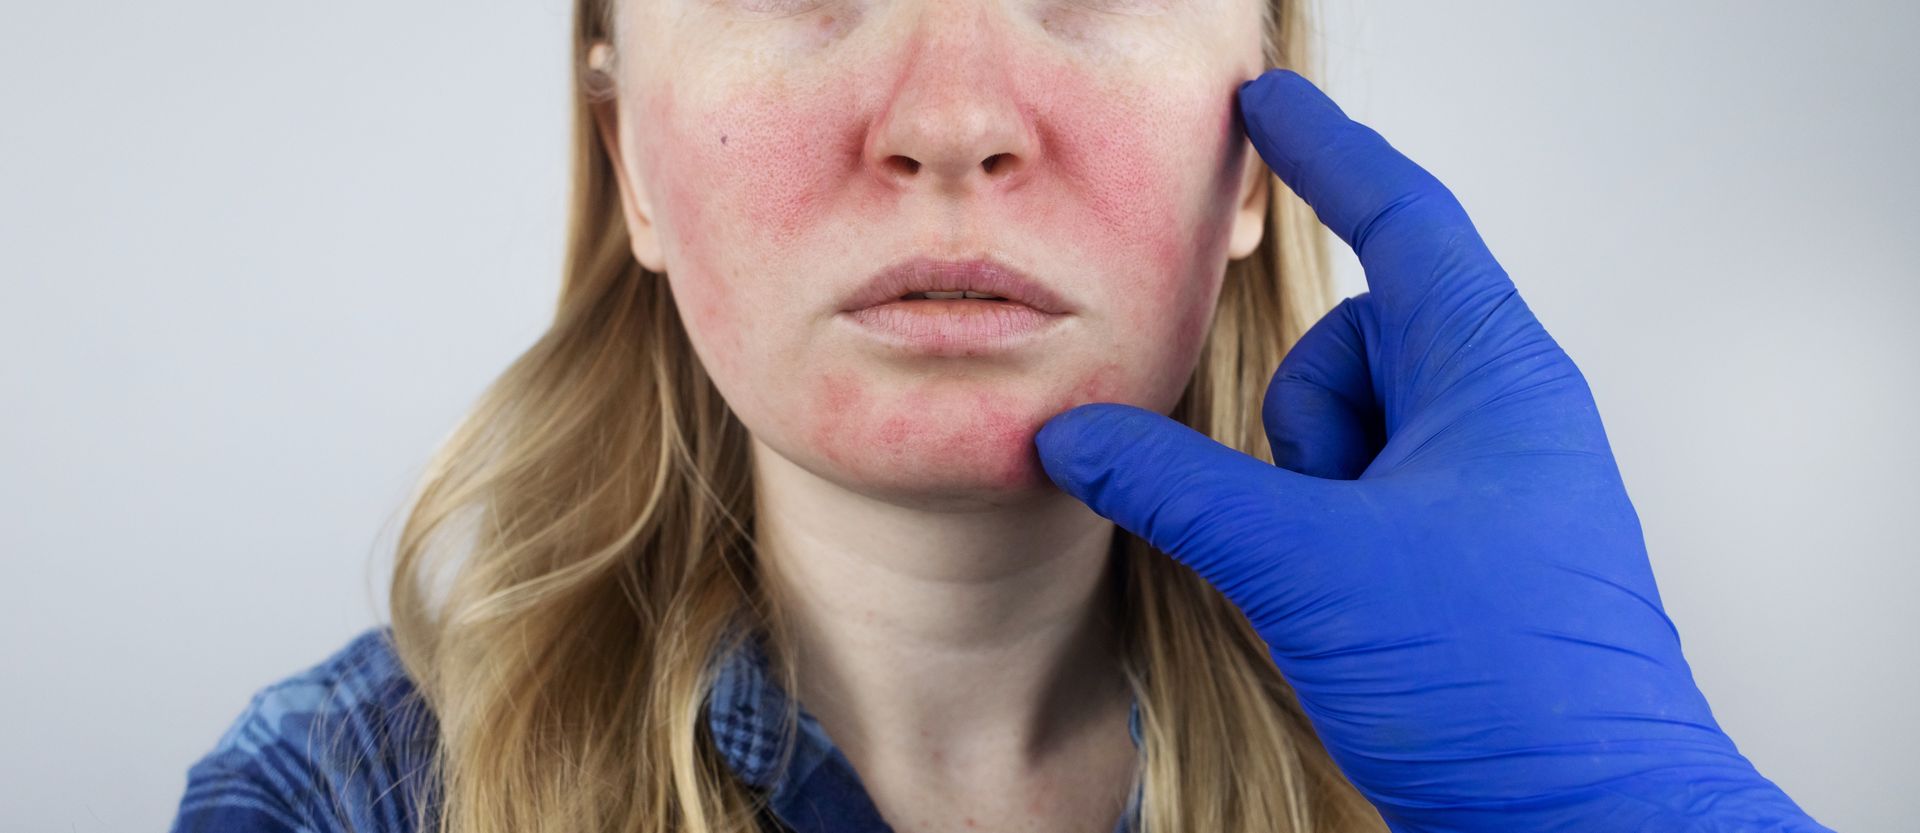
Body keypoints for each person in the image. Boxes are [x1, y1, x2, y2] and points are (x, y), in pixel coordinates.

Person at [168, 0, 1834, 830]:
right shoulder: (349, 798)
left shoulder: (1482, 762)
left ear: (1256, 149)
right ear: (630, 157)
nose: (952, 120)